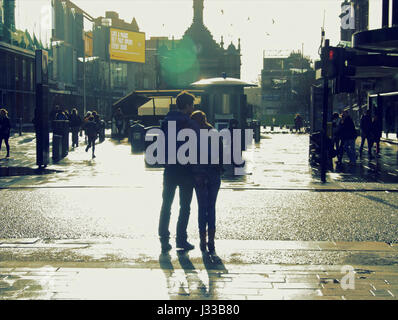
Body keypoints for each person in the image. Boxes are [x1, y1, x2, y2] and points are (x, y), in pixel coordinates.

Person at [158, 91, 199, 253]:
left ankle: (163, 237)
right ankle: (181, 239)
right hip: (186, 170)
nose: (193, 108)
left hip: (169, 169)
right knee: (185, 206)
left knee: (166, 204)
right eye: (192, 105)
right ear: (188, 106)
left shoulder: (166, 122)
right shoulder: (189, 123)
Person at [191, 110, 222, 255]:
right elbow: (221, 154)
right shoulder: (213, 132)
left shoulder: (193, 135)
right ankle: (212, 241)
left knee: (202, 208)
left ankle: (202, 241)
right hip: (214, 175)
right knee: (212, 207)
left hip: (199, 176)